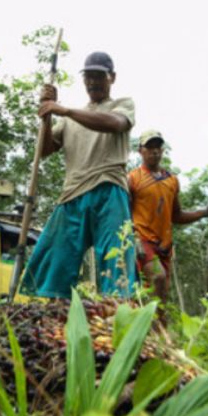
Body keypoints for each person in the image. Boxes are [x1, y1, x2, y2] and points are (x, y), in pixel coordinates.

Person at [20, 51, 138, 298]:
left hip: (109, 188)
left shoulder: (122, 105)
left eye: (99, 76)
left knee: (115, 256)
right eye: (88, 76)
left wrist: (63, 110)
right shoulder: (68, 119)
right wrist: (47, 114)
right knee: (54, 255)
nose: (93, 82)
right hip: (73, 192)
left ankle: (114, 311)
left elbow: (114, 124)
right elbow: (43, 150)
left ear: (112, 78)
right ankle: (54, 310)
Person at [128, 130, 208, 303]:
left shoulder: (172, 180)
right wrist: (133, 239)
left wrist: (205, 212)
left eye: (158, 147)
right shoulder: (133, 178)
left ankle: (158, 327)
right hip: (143, 240)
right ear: (140, 150)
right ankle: (155, 327)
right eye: (150, 147)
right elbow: (125, 213)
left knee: (161, 292)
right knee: (158, 278)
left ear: (163, 150)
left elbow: (176, 215)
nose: (155, 151)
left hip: (164, 245)